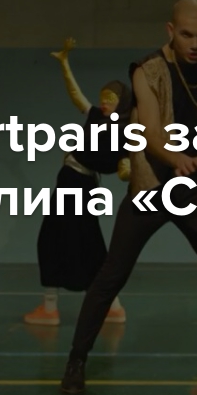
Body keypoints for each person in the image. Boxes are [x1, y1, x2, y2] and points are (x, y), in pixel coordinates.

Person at [59, 0, 197, 395]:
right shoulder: (147, 70)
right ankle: (76, 359)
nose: (195, 44)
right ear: (170, 30)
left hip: (194, 186)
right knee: (111, 276)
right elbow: (151, 134)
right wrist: (178, 160)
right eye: (186, 35)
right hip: (152, 186)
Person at [24, 37, 133, 327]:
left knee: (57, 238)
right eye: (103, 97)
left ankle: (53, 308)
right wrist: (64, 64)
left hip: (77, 184)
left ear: (122, 102)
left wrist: (128, 169)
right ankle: (111, 306)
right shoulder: (98, 117)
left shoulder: (124, 132)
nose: (104, 102)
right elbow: (76, 94)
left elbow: (124, 169)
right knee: (85, 241)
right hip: (73, 182)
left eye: (111, 98)